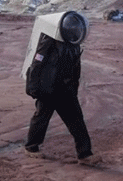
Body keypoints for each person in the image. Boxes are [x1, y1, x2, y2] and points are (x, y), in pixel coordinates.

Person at [24, 12, 100, 165]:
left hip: (66, 90)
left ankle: (85, 154)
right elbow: (37, 64)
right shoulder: (48, 41)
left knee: (77, 121)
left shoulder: (74, 44)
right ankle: (31, 147)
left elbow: (75, 68)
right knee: (41, 118)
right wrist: (33, 87)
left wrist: (74, 87)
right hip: (48, 88)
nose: (74, 29)